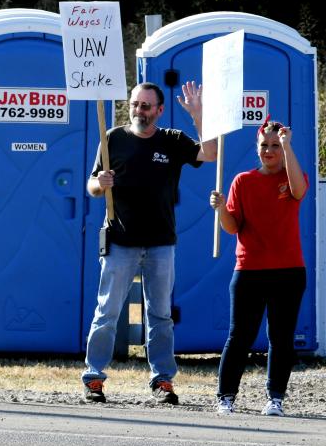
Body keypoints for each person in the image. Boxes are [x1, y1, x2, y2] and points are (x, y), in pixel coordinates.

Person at [81, 81, 217, 405]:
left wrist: (198, 114)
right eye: (134, 104)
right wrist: (99, 184)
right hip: (120, 242)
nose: (138, 111)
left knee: (160, 316)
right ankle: (94, 378)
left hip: (160, 245)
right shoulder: (112, 137)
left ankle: (162, 380)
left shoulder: (172, 140)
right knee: (107, 312)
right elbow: (91, 185)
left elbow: (209, 153)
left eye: (145, 106)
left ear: (159, 110)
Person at [209, 120, 308, 417]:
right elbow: (231, 227)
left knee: (281, 337)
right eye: (264, 145)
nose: (269, 151)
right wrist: (222, 208)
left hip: (288, 271)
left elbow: (300, 191)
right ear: (256, 147)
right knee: (239, 336)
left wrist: (287, 144)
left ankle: (275, 397)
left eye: (275, 145)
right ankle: (226, 397)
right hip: (249, 270)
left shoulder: (292, 176)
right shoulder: (242, 180)